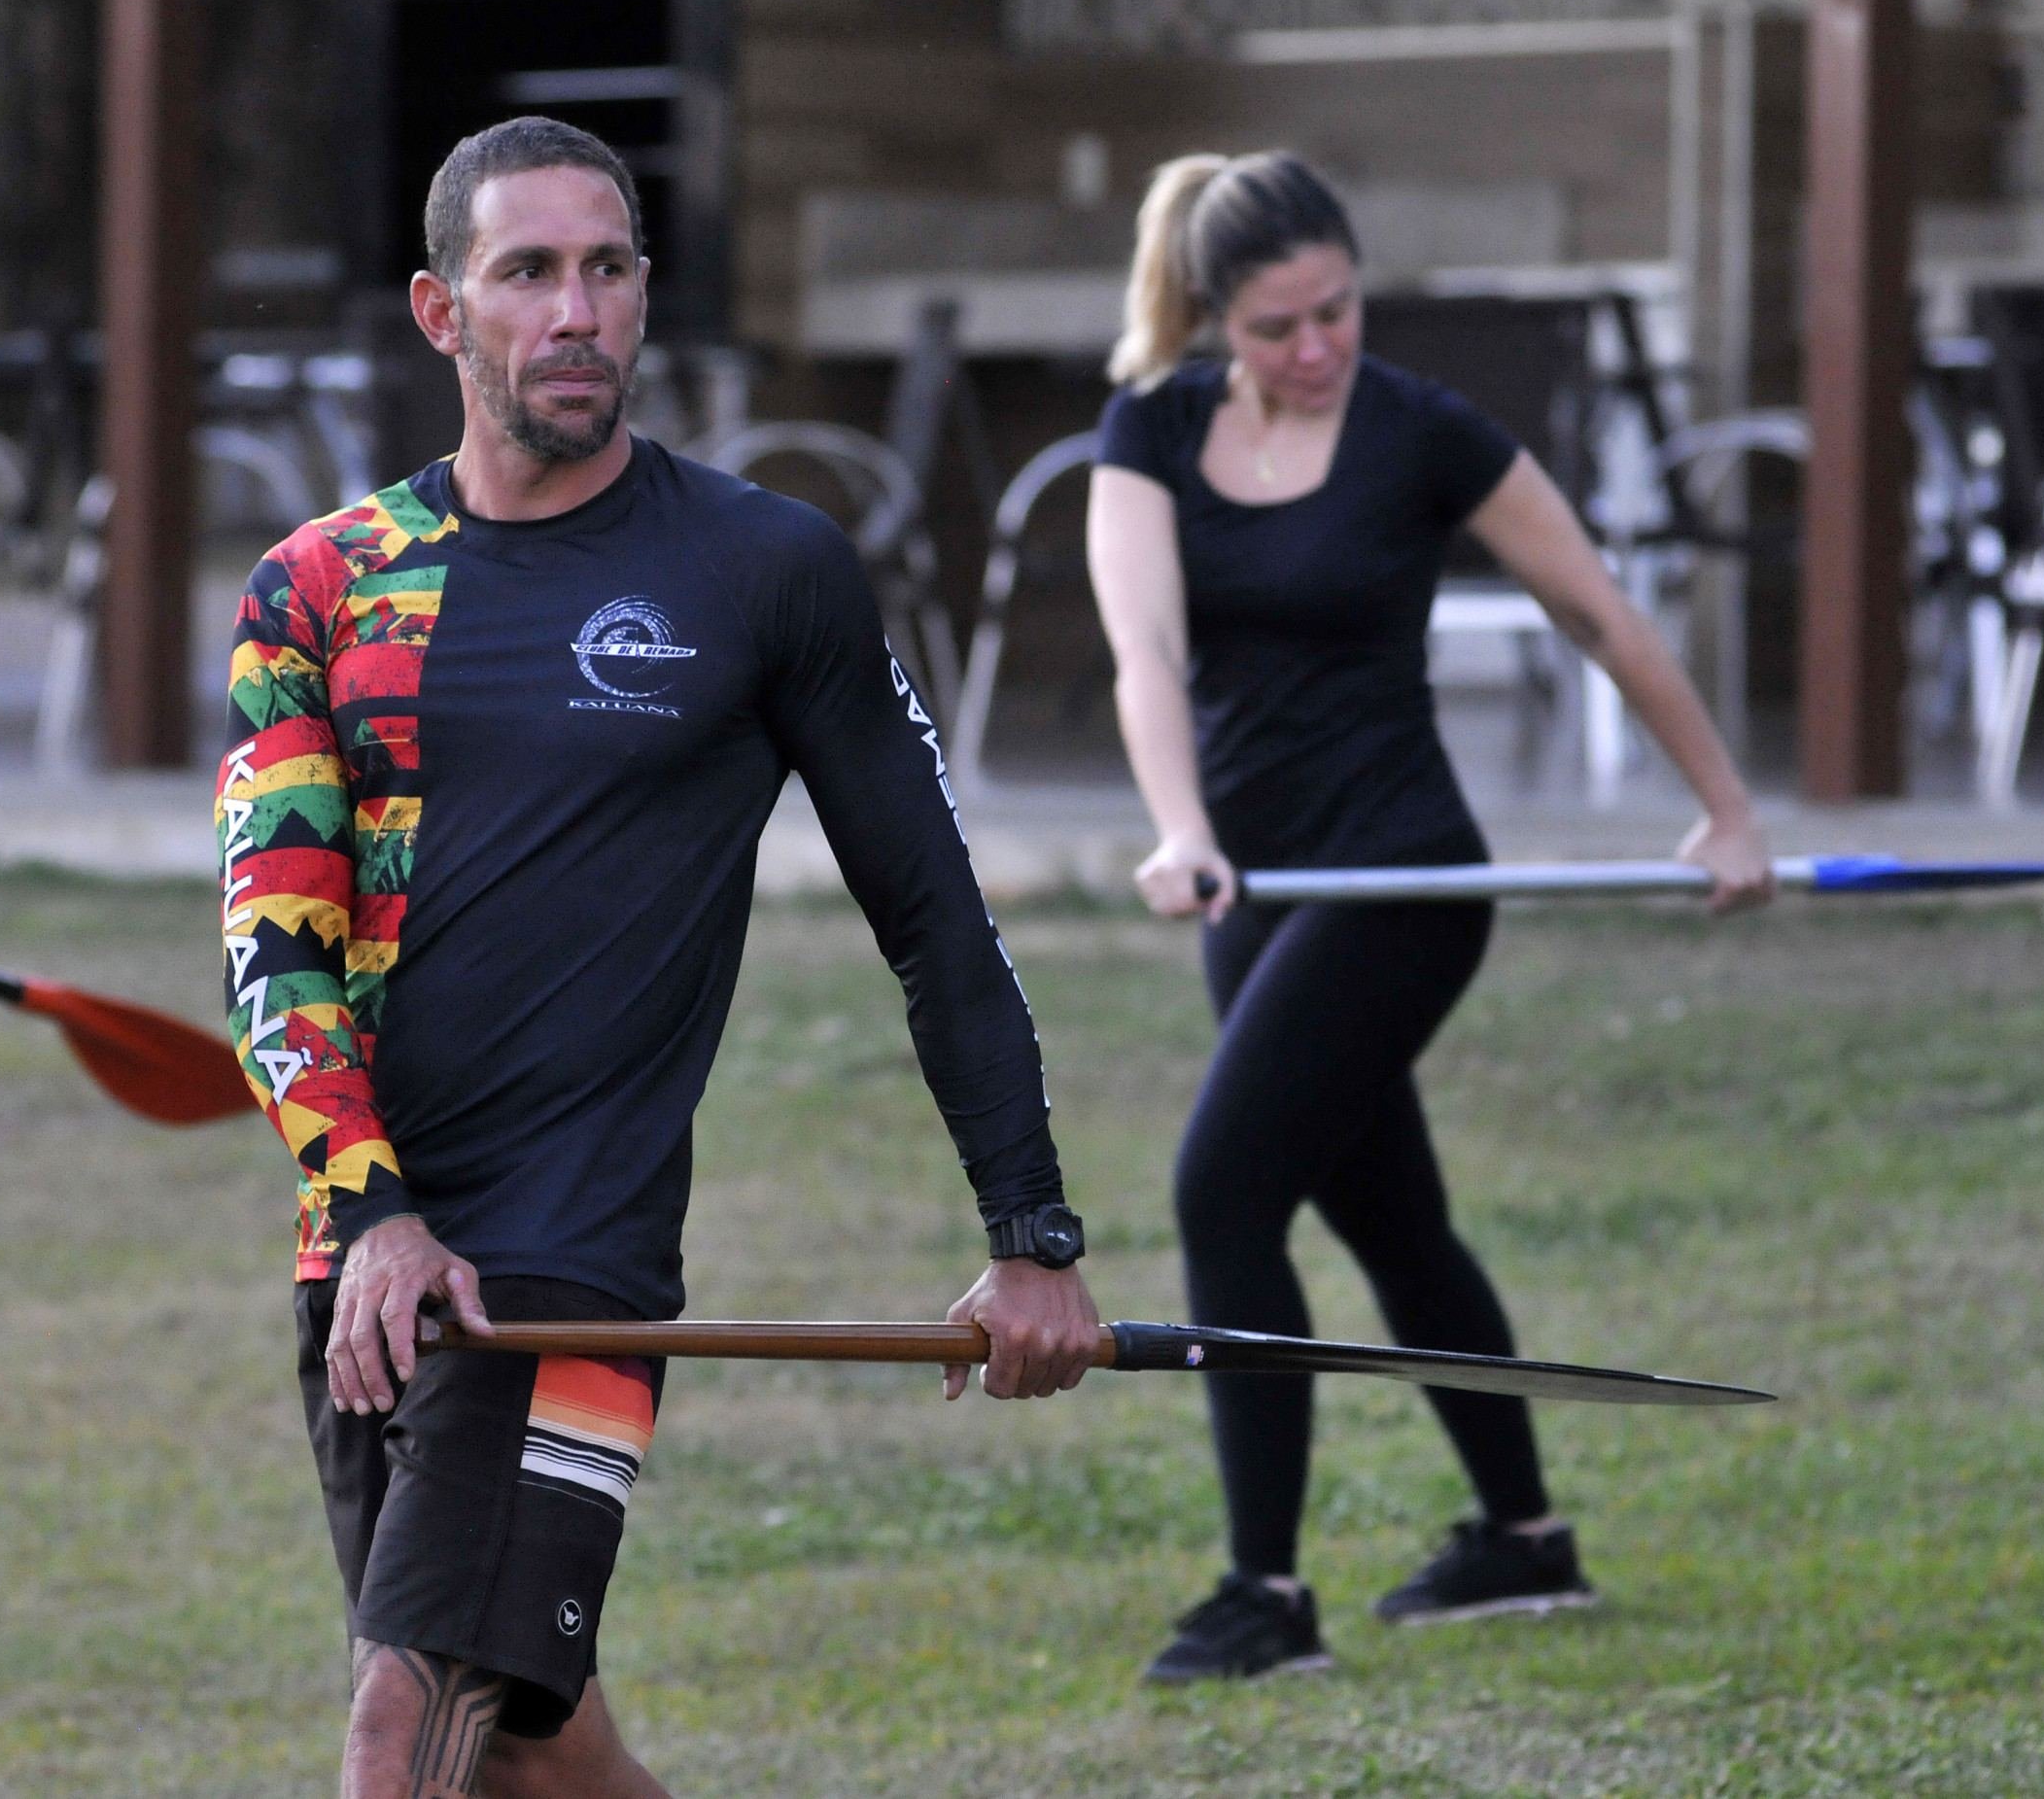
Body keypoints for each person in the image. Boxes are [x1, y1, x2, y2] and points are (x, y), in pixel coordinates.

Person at [218, 117, 1103, 1798]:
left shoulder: (765, 572)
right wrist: (376, 1211)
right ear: (438, 310)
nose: (576, 311)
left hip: (574, 1262)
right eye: (527, 272)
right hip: (374, 1265)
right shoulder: (322, 588)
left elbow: (935, 913)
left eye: (608, 269)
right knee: (534, 1751)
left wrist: (1032, 1228)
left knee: (404, 1737)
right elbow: (277, 950)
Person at [1084, 154, 1773, 1683]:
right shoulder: (1151, 427)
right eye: (1277, 327)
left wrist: (1726, 807)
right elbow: (1143, 647)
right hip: (1254, 887)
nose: (1316, 347)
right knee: (1390, 1215)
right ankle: (1524, 1543)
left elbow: (1596, 607)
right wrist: (1182, 830)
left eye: (1338, 309)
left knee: (1220, 1194)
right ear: (1214, 319)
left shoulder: (1420, 429)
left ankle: (1264, 1593)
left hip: (1405, 875)